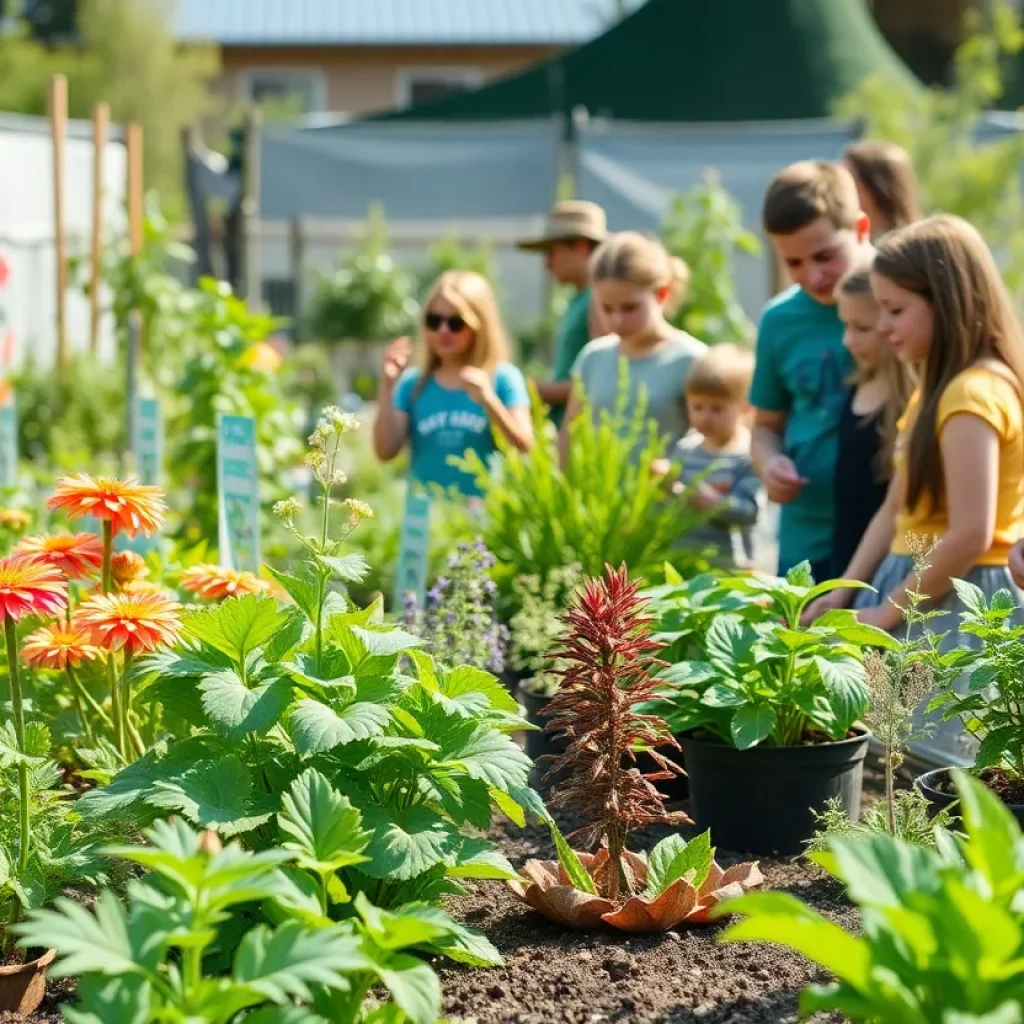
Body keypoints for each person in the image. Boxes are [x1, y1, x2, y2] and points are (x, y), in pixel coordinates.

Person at [806, 215, 1024, 763]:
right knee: (904, 766)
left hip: (958, 598)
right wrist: (846, 589)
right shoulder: (935, 386)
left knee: (950, 773)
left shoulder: (972, 395)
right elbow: (895, 509)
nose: (882, 326)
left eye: (896, 310)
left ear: (948, 301)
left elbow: (971, 533)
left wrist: (885, 616)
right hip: (913, 587)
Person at [750, 161, 873, 580]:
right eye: (794, 263)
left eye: (825, 256)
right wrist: (769, 465)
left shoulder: (898, 299)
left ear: (860, 228)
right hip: (807, 541)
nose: (812, 276)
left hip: (887, 535)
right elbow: (766, 424)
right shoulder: (779, 320)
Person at [373, 270, 533, 497]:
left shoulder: (503, 379)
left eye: (456, 322)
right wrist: (387, 387)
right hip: (423, 520)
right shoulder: (413, 383)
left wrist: (489, 401)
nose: (443, 330)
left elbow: (524, 449)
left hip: (482, 520)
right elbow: (385, 451)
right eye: (434, 321)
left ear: (480, 325)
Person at [559, 232, 706, 462]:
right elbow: (570, 437)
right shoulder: (593, 357)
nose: (617, 320)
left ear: (661, 294)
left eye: (630, 308)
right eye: (607, 308)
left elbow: (713, 445)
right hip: (600, 497)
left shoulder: (692, 360)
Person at [830, 266, 912, 577]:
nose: (848, 341)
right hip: (845, 556)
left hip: (889, 567)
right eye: (845, 327)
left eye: (861, 328)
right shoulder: (856, 385)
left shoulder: (910, 402)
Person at [517, 201, 607, 427]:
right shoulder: (579, 299)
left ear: (580, 247)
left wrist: (531, 389)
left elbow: (601, 378)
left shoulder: (599, 301)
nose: (546, 264)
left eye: (551, 252)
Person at [672, 343, 762, 568]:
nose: (705, 417)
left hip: (731, 570)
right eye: (697, 407)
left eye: (717, 408)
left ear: (745, 408)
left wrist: (711, 501)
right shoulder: (685, 450)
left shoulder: (747, 456)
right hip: (685, 561)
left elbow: (750, 513)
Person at [843, 140, 922, 239]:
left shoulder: (911, 248)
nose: (841, 189)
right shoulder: (849, 242)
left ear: (876, 189)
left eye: (851, 182)